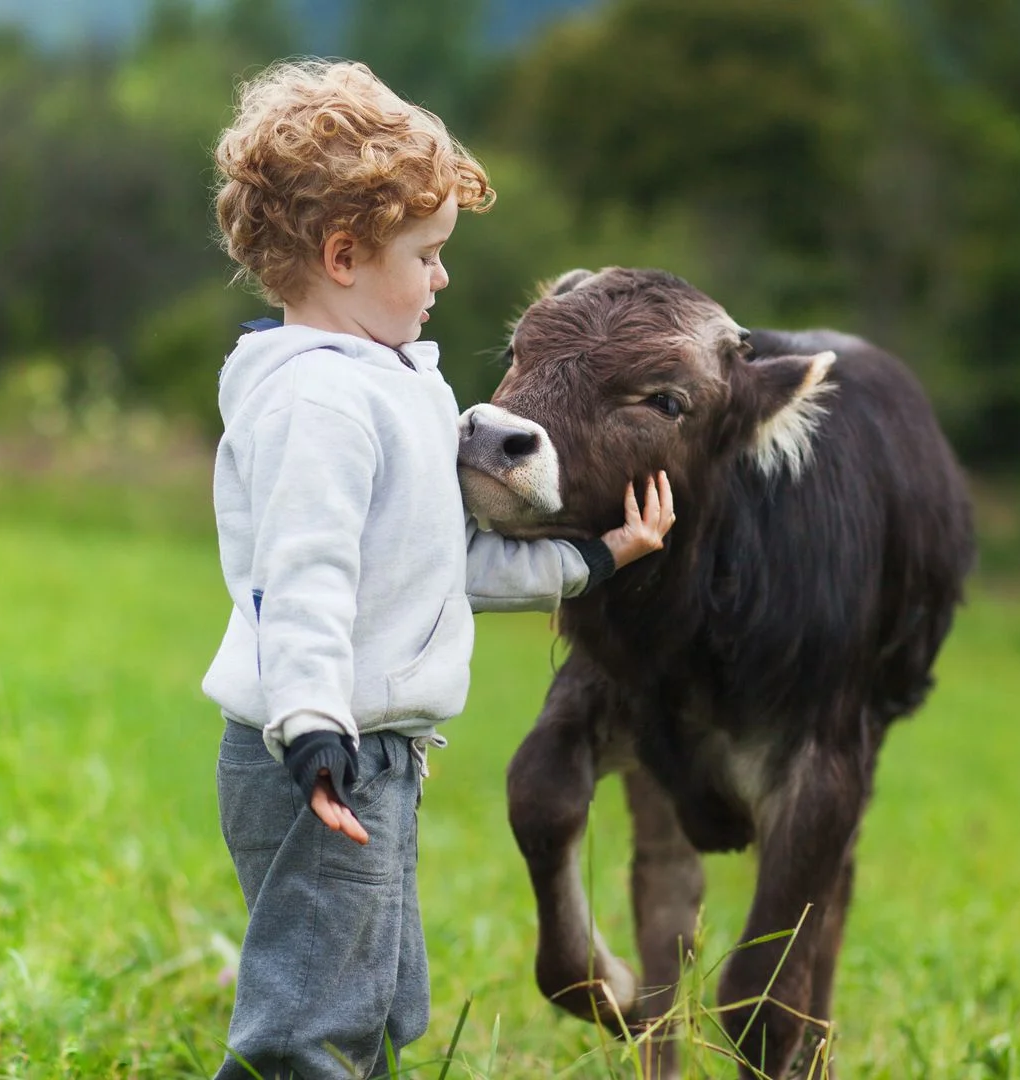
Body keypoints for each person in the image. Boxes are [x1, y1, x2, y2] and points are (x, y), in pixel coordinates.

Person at [201, 59, 674, 1079]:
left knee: (372, 998)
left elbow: (438, 564)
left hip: (373, 753)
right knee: (312, 1022)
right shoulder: (321, 408)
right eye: (426, 256)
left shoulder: (389, 384)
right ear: (342, 256)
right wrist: (315, 730)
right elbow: (307, 579)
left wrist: (593, 562)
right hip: (323, 755)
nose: (442, 279)